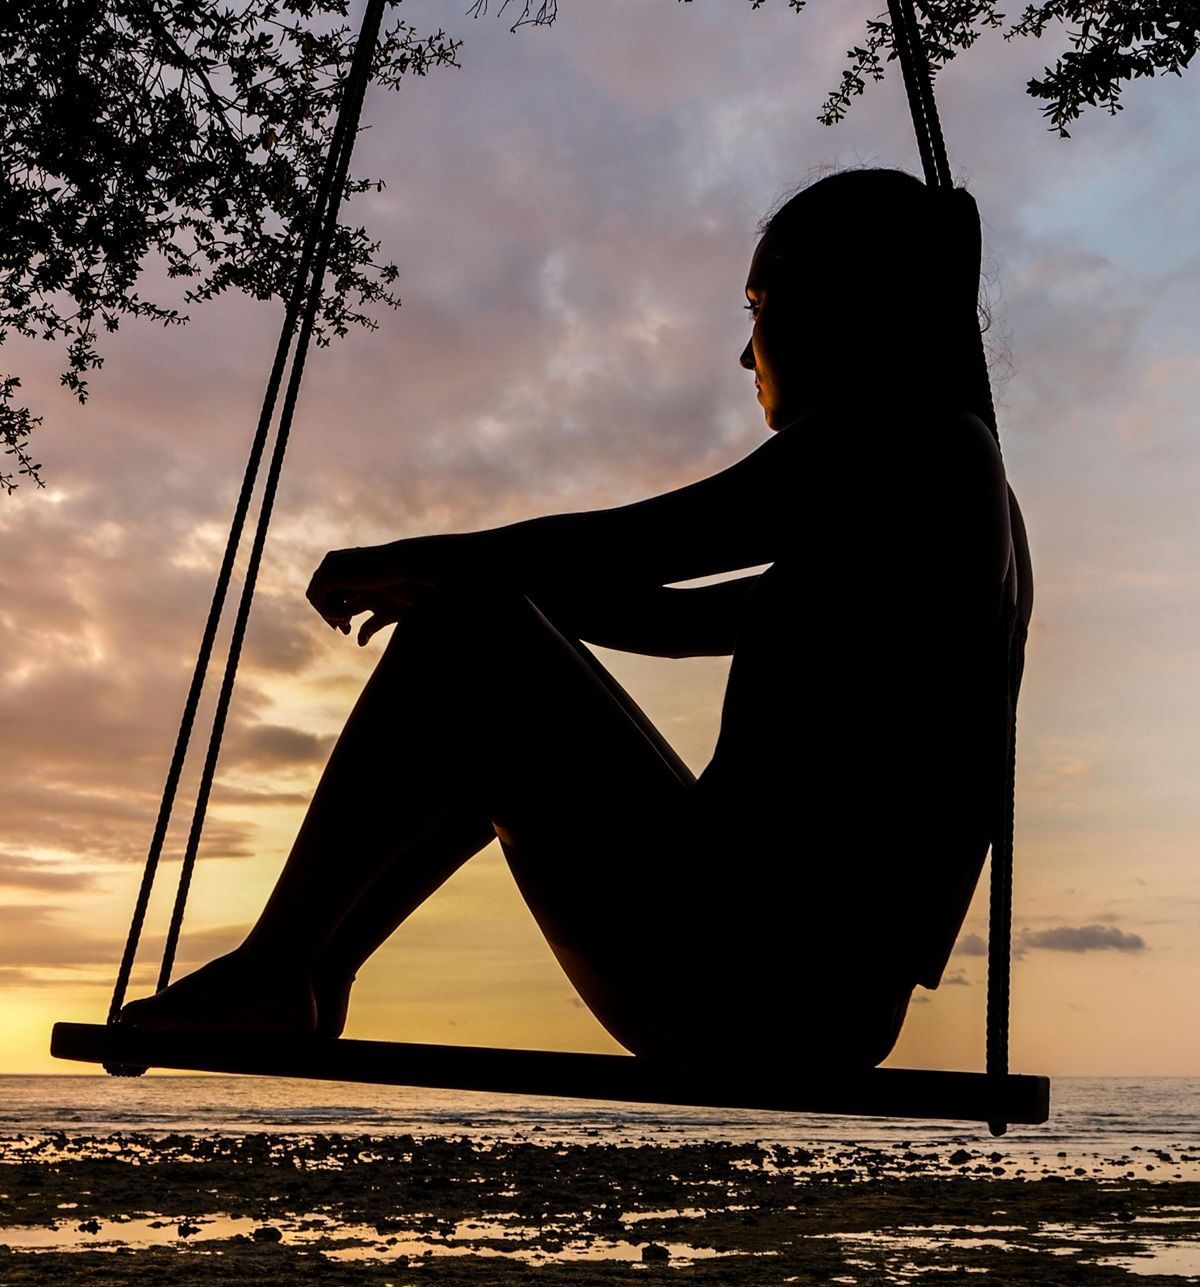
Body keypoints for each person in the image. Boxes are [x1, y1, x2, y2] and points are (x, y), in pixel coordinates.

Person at [118, 167, 1033, 1072]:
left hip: (752, 976)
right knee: (484, 639)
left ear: (844, 299)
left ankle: (281, 968)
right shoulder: (946, 493)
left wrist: (431, 567)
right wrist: (476, 588)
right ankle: (311, 973)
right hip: (806, 993)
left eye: (759, 302)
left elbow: (649, 542)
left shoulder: (910, 445)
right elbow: (672, 618)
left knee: (473, 634)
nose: (745, 352)